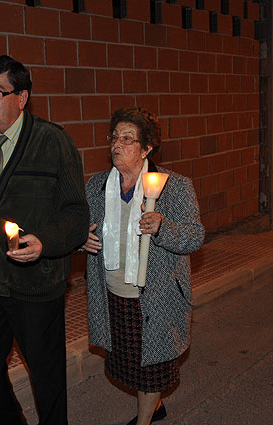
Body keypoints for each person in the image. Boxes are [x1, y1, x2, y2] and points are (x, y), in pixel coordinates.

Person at [0, 55, 89, 425]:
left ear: (22, 97)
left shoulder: (52, 141)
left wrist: (45, 241)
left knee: (45, 376)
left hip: (35, 281)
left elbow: (77, 215)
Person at [82, 107, 204, 425]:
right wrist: (80, 239)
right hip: (113, 293)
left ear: (146, 148)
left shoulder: (174, 187)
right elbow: (78, 226)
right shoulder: (96, 188)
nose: (116, 145)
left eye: (127, 139)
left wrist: (163, 227)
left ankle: (145, 419)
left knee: (150, 368)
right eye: (114, 137)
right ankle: (156, 405)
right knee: (130, 363)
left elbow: (194, 236)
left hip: (155, 298)